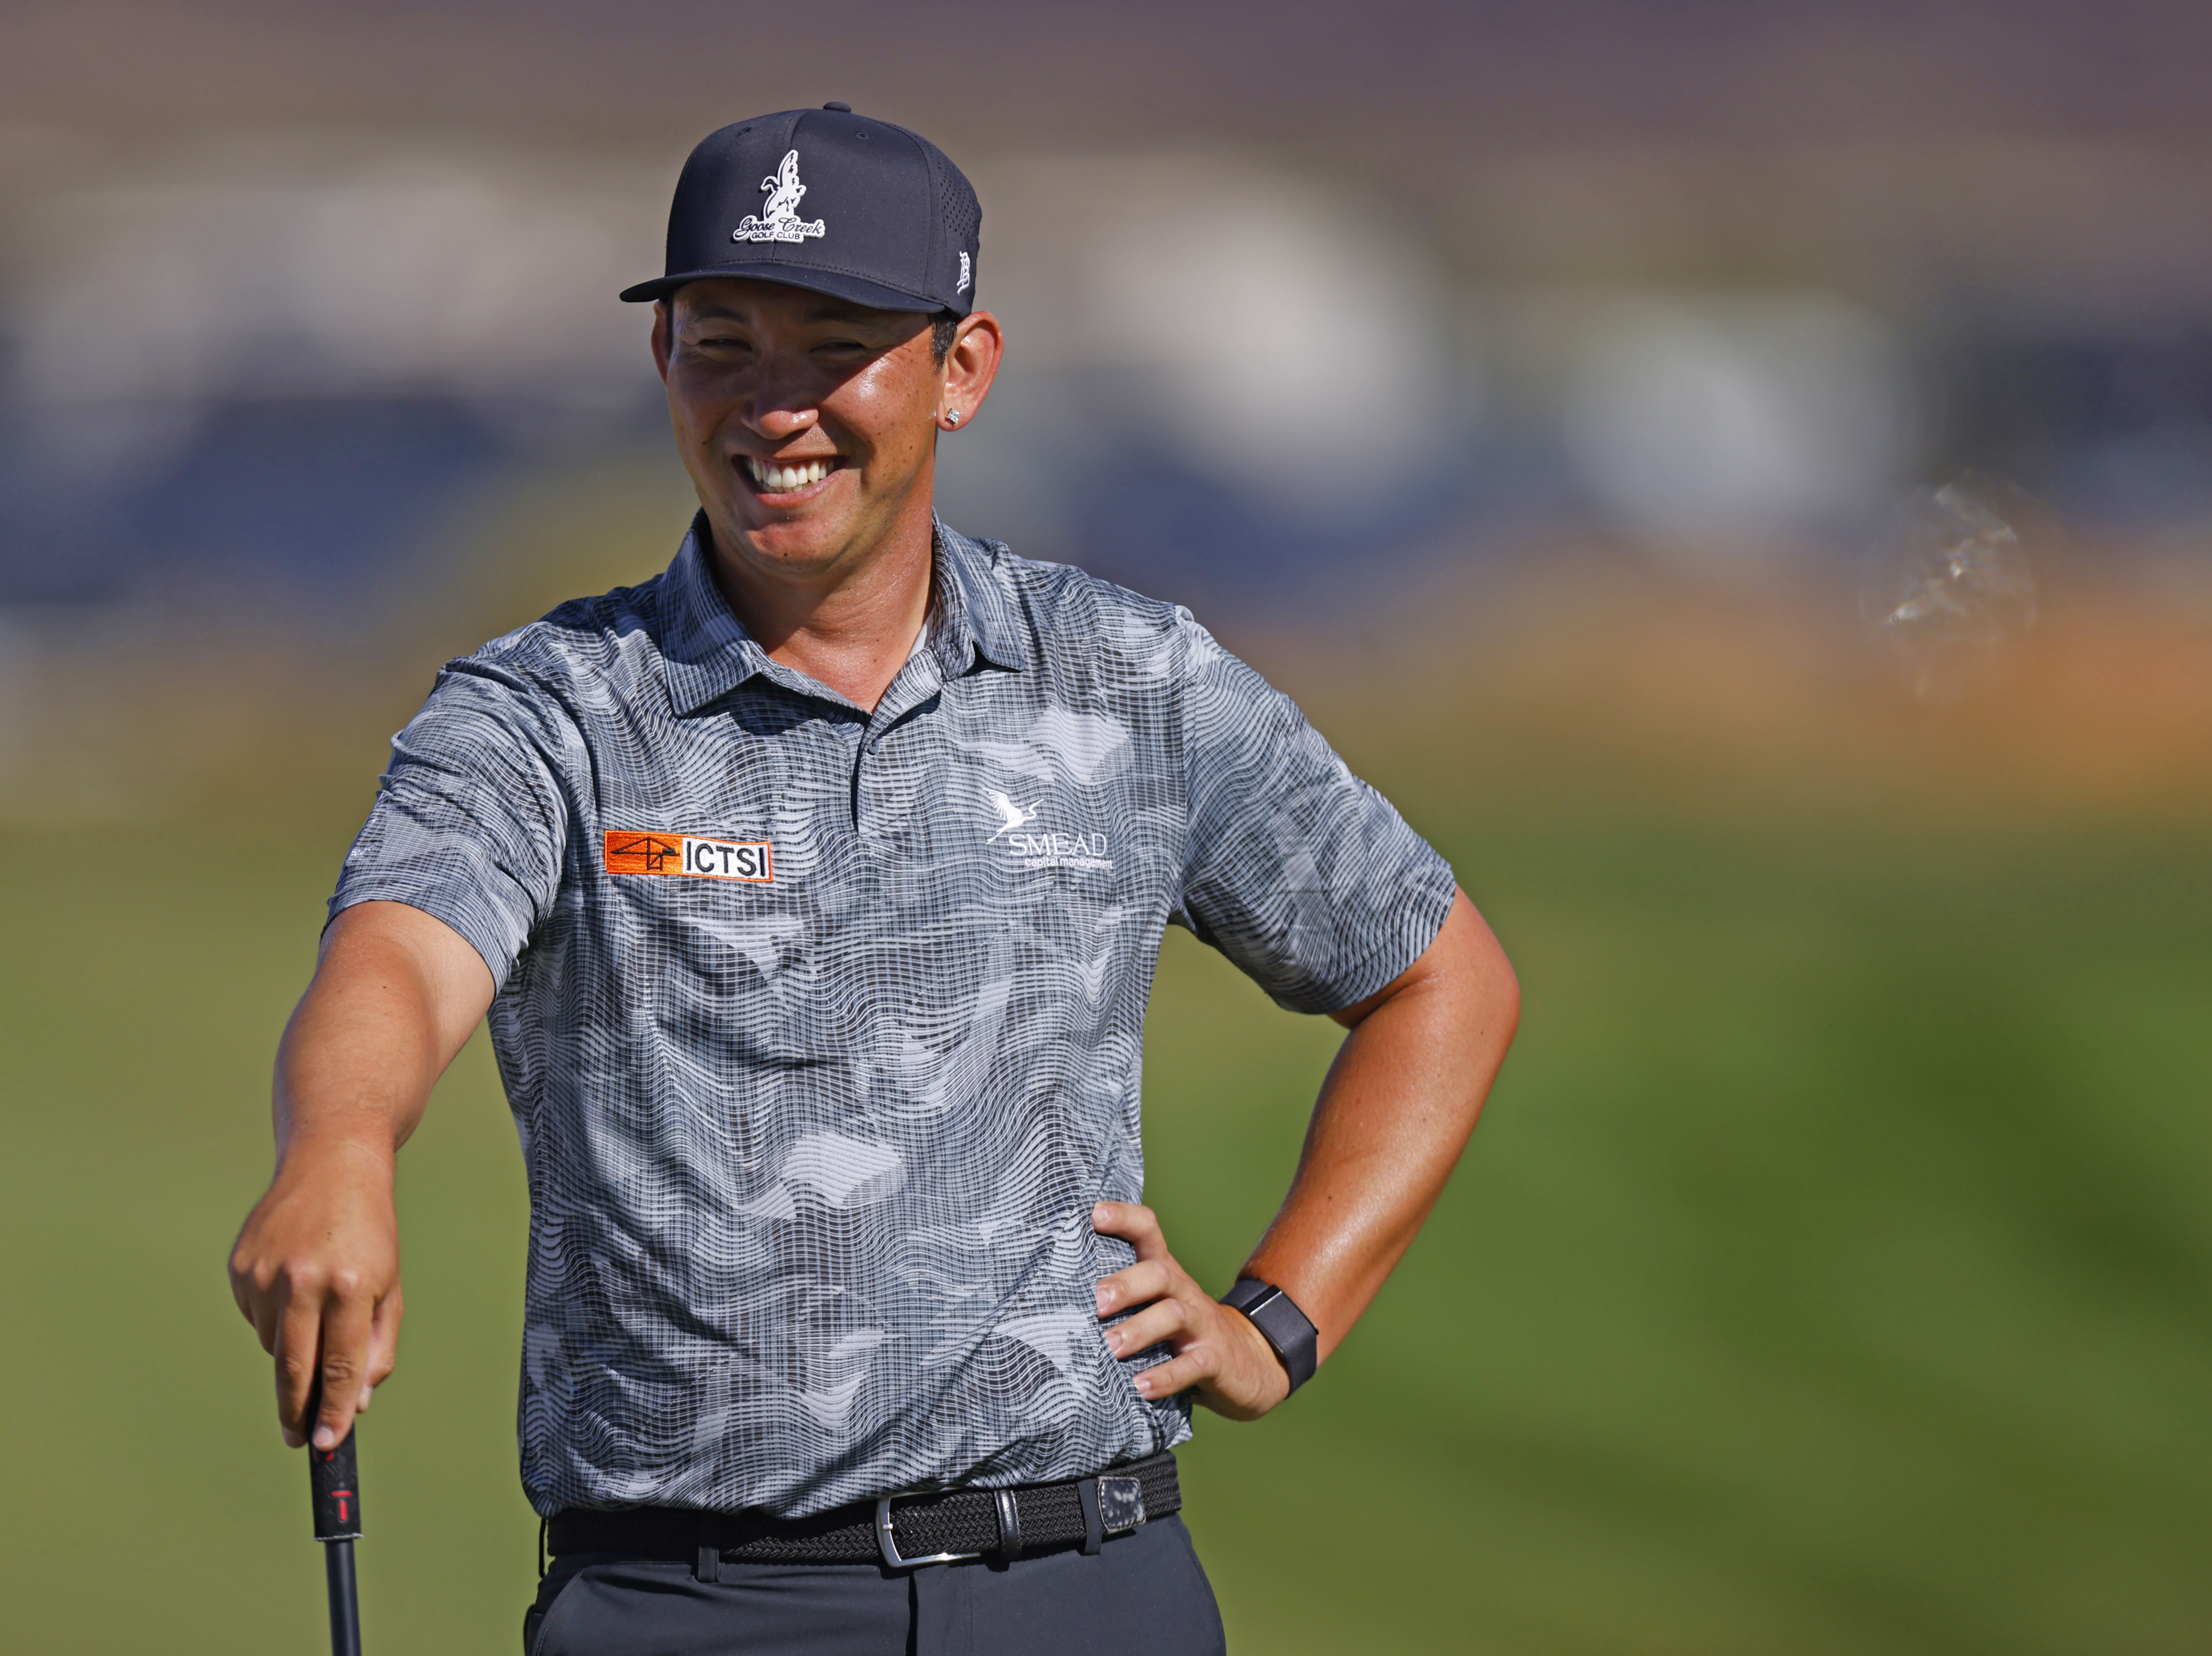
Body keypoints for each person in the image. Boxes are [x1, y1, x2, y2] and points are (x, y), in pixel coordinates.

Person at [228, 104, 1520, 1656]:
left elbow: (1433, 972)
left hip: (1082, 1579)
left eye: (831, 346)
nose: (773, 409)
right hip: (686, 1606)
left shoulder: (1128, 679)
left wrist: (1278, 1318)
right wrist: (340, 1148)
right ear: (663, 367)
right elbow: (400, 955)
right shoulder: (548, 709)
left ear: (958, 370)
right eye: (722, 345)